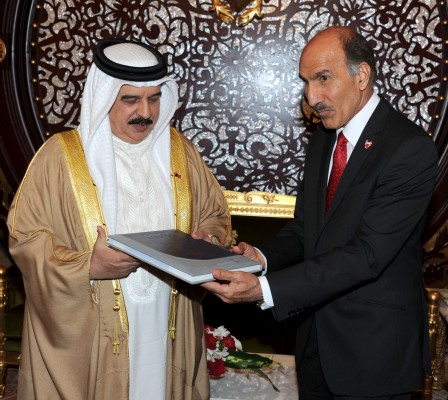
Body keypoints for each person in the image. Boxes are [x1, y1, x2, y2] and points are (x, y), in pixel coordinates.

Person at [202, 26, 439, 399]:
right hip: (313, 346)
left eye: (323, 78)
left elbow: (368, 254)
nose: (312, 97)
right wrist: (259, 257)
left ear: (361, 76)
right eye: (306, 82)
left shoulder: (408, 148)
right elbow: (304, 230)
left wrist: (266, 289)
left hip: (374, 357)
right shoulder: (325, 141)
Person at [7, 38, 232, 400]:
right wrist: (87, 266)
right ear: (104, 96)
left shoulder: (181, 152)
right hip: (96, 329)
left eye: (154, 98)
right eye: (131, 100)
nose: (146, 112)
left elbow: (215, 214)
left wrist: (206, 241)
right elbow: (26, 240)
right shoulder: (59, 158)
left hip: (168, 320)